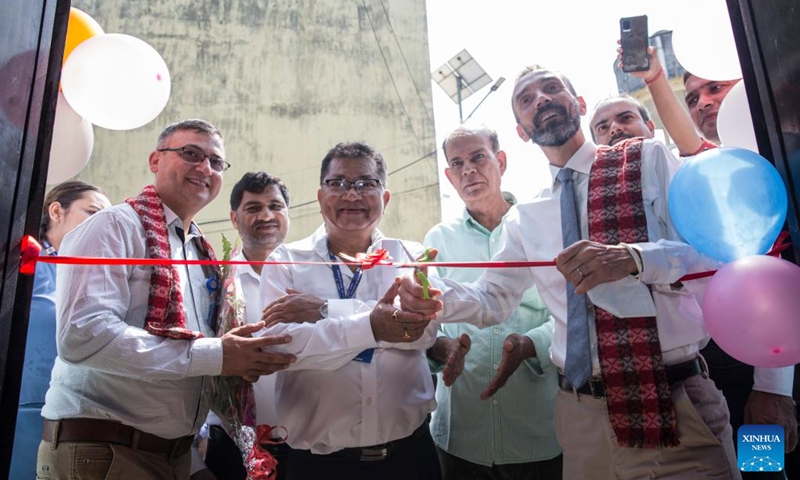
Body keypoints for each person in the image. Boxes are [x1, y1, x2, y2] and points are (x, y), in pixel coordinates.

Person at [400, 66, 742, 480]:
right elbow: (492, 297)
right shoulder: (528, 216)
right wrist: (433, 297)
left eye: (551, 88)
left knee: (768, 461)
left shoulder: (645, 160)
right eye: (526, 99)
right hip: (580, 416)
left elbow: (712, 254)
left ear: (578, 104)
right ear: (523, 132)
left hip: (673, 399)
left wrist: (636, 258)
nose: (540, 99)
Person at [36, 119, 296, 480]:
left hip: (173, 455)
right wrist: (219, 355)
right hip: (103, 452)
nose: (205, 168)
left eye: (216, 162)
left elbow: (188, 363)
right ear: (155, 160)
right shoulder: (114, 227)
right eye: (191, 154)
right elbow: (83, 337)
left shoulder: (198, 250)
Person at [616, 48, 798, 472]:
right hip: (708, 380)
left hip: (765, 368)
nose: (703, 103)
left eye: (715, 89)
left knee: (764, 469)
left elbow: (775, 287)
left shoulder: (772, 164)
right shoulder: (694, 182)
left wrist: (774, 387)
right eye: (693, 98)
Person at [255, 141, 448, 480]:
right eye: (338, 183)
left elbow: (422, 331)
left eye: (366, 183)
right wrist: (375, 327)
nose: (352, 195)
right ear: (319, 197)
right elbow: (282, 348)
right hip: (319, 466)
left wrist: (325, 312)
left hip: (409, 458)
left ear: (385, 199)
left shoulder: (409, 255)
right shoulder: (287, 262)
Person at [425, 125, 562, 480]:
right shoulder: (438, 239)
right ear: (449, 176)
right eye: (457, 163)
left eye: (478, 157)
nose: (468, 170)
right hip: (460, 438)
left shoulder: (540, 227)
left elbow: (566, 312)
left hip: (537, 433)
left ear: (501, 161)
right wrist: (443, 346)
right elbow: (429, 323)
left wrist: (531, 345)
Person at [10, 181, 110, 480]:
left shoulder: (98, 279)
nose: (100, 226)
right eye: (92, 212)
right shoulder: (25, 262)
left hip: (76, 420)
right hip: (18, 410)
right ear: (56, 210)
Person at [203, 172, 292, 480]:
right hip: (229, 445)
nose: (266, 215)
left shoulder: (309, 276)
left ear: (287, 214)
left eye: (275, 206)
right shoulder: (213, 284)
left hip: (307, 447)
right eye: (253, 208)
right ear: (234, 217)